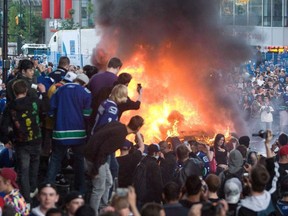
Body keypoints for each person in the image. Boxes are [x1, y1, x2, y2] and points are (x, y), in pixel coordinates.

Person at [0, 80, 49, 204]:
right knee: (34, 166)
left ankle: (26, 199)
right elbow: (46, 109)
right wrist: (43, 93)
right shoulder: (34, 101)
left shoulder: (10, 107)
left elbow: (4, 126)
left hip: (21, 142)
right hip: (36, 139)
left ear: (14, 92)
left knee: (23, 170)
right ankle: (33, 189)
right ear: (26, 90)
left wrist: (6, 140)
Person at [84, 115, 144, 215]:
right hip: (95, 158)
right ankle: (93, 213)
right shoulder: (120, 137)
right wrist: (95, 170)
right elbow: (102, 151)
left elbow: (99, 130)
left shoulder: (117, 125)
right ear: (138, 128)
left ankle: (103, 207)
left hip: (96, 155)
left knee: (109, 182)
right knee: (99, 188)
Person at [46, 73, 91, 193]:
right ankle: (80, 190)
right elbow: (87, 115)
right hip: (79, 134)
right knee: (79, 161)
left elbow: (50, 111)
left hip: (60, 132)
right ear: (84, 83)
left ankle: (48, 187)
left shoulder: (59, 90)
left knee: (55, 159)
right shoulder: (85, 93)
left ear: (75, 79)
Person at [133, 144, 163, 208]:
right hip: (150, 197)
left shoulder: (142, 160)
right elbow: (157, 183)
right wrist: (160, 198)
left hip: (140, 194)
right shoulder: (154, 165)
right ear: (155, 153)